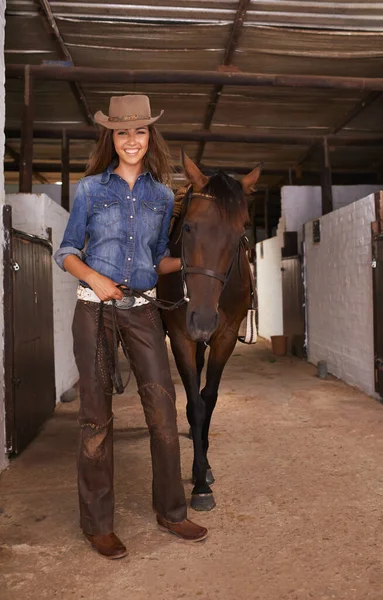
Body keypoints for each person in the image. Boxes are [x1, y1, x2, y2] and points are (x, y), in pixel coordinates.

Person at [54, 95, 208, 560]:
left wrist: (196, 262)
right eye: (122, 132)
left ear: (149, 137)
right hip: (94, 310)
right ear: (111, 138)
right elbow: (64, 252)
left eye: (140, 131)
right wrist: (95, 278)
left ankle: (172, 512)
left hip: (143, 311)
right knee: (96, 418)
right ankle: (98, 524)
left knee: (163, 412)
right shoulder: (89, 191)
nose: (131, 140)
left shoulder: (163, 196)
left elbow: (157, 258)